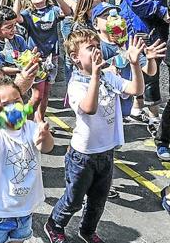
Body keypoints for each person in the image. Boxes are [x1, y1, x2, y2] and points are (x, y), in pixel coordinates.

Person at [45, 29, 145, 243]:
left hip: (106, 152)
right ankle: (54, 224)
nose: (97, 51)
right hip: (82, 156)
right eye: (90, 48)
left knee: (98, 201)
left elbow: (136, 89)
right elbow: (89, 108)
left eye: (97, 46)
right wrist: (97, 76)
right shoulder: (76, 84)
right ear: (75, 58)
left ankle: (87, 231)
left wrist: (135, 64)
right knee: (74, 200)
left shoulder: (109, 76)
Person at [0, 80, 54, 243]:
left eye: (17, 101)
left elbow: (46, 148)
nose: (14, 108)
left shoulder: (30, 127)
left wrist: (45, 136)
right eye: (5, 104)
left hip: (24, 212)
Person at [119, 0, 170, 160]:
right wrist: (161, 12)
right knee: (150, 66)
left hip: (165, 24)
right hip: (144, 24)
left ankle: (145, 106)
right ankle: (148, 110)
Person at [0, 6, 28, 76]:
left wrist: (33, 58)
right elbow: (0, 69)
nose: (13, 30)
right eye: (9, 27)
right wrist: (22, 70)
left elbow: (27, 55)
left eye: (15, 25)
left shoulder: (19, 39)